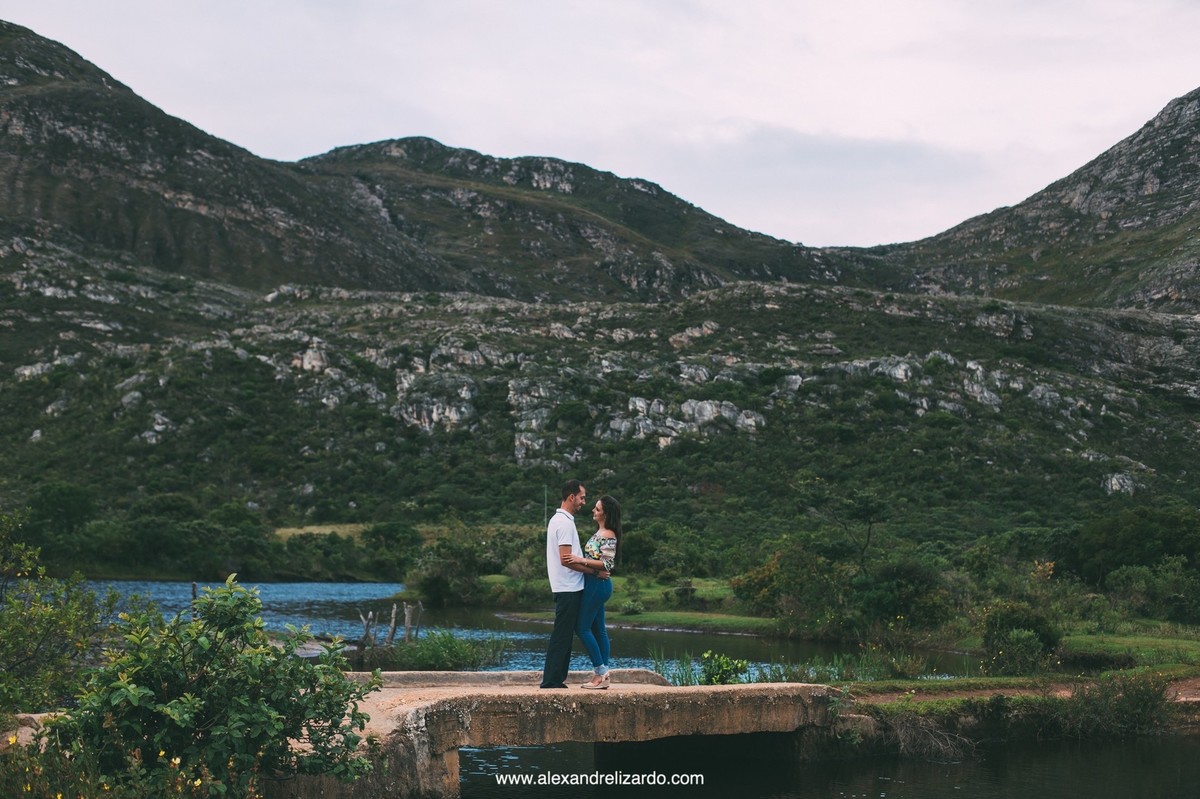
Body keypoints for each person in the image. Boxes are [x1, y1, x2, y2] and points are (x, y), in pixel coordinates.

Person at [539, 479, 596, 689]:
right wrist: (593, 571)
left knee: (564, 635)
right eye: (582, 497)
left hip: (568, 587)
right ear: (571, 497)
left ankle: (556, 679)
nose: (583, 502)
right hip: (568, 588)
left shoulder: (562, 520)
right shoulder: (563, 522)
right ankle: (551, 681)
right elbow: (566, 559)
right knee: (561, 635)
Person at [568, 494, 621, 689]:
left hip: (597, 585)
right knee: (599, 630)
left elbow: (607, 563)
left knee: (582, 628)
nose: (593, 510)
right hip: (594, 584)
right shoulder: (601, 532)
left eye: (597, 509)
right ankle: (603, 675)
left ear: (605, 514)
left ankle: (600, 673)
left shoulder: (608, 534)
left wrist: (580, 560)